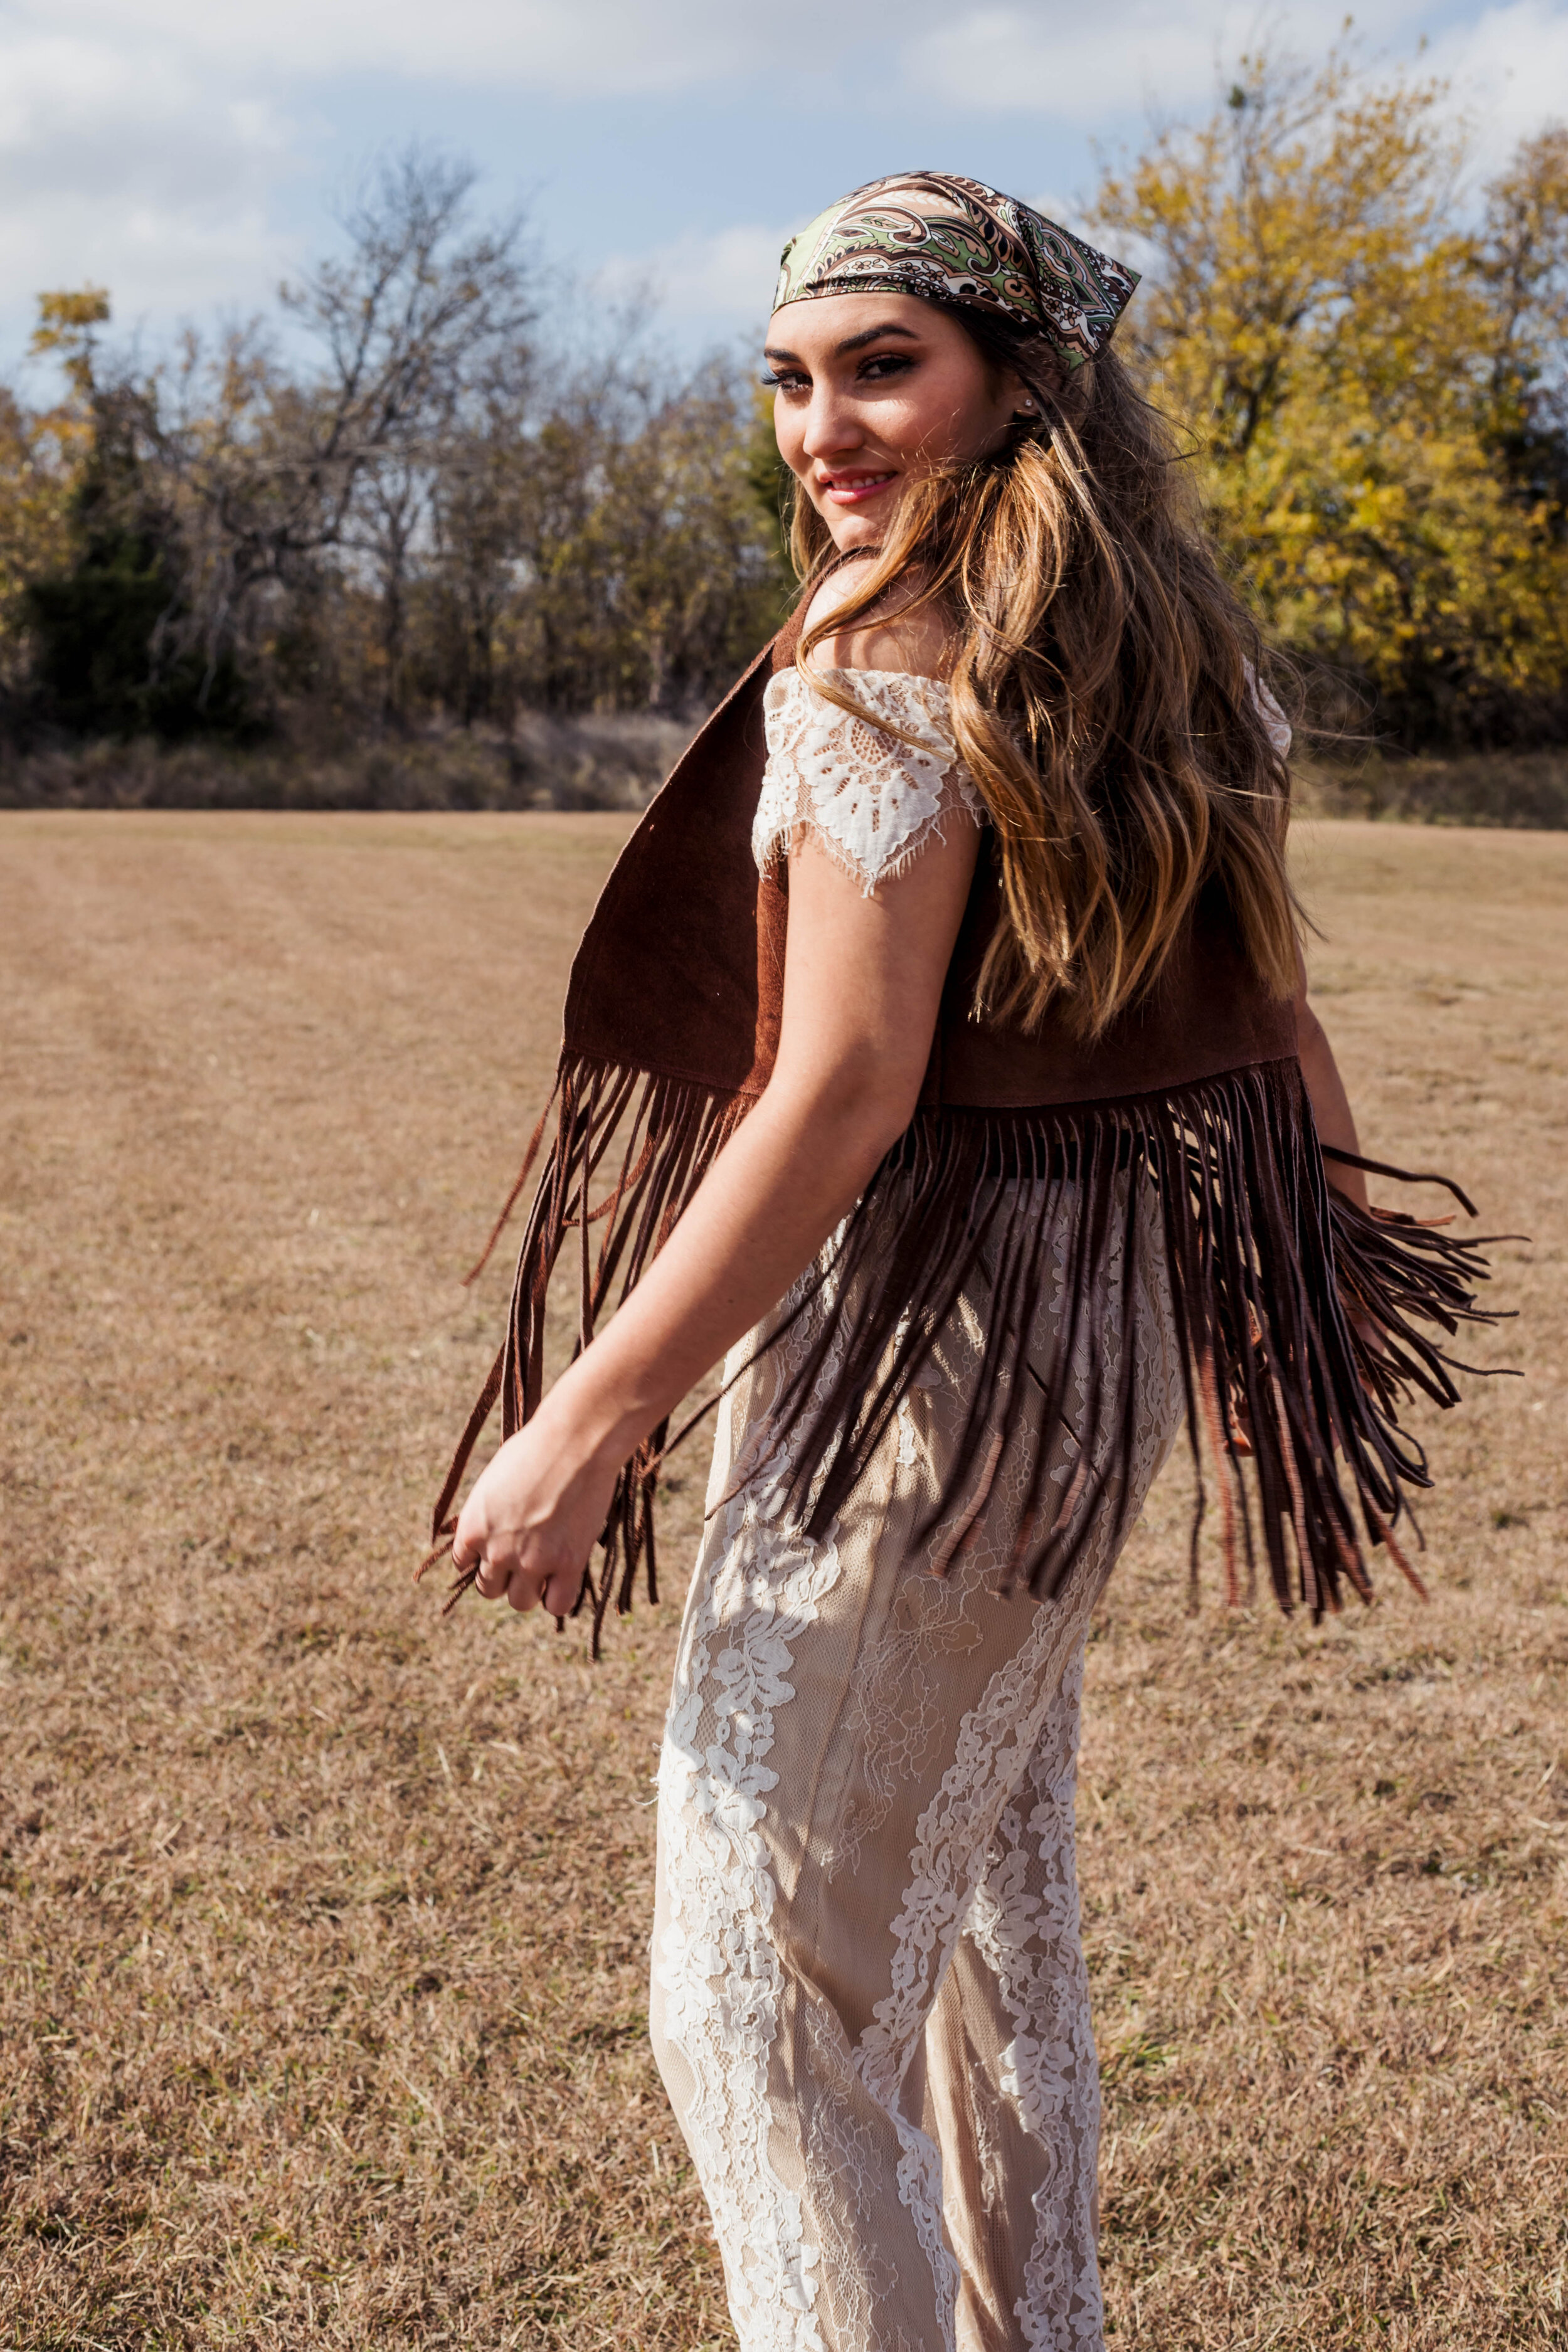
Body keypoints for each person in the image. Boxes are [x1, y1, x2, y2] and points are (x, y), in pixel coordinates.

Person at [432, 174, 1496, 2352]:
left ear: (1025, 381)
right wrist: (1296, 1328)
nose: (820, 428)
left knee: (754, 1993)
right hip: (1069, 1376)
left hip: (918, 1392)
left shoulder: (878, 665)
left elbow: (838, 1095)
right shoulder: (1174, 671)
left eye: (881, 368)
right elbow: (1275, 1030)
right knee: (978, 1938)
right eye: (790, 384)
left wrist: (585, 1418)